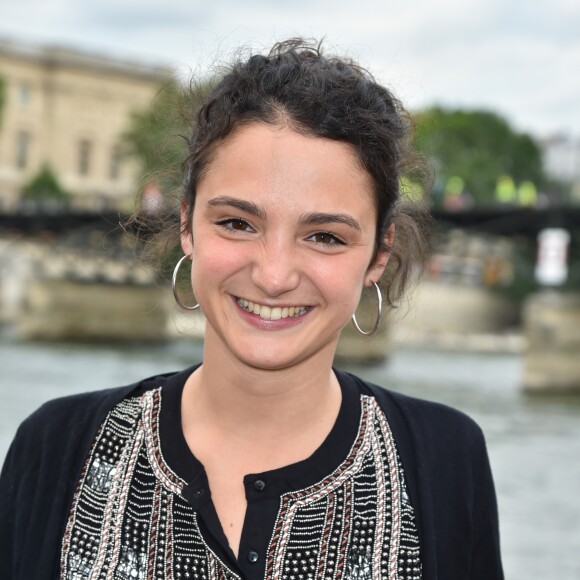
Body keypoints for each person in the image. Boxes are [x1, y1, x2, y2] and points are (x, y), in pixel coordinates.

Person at [0, 39, 503, 579]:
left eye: (325, 237)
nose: (274, 275)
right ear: (187, 224)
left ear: (378, 255)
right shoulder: (56, 448)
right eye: (238, 223)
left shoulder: (446, 461)